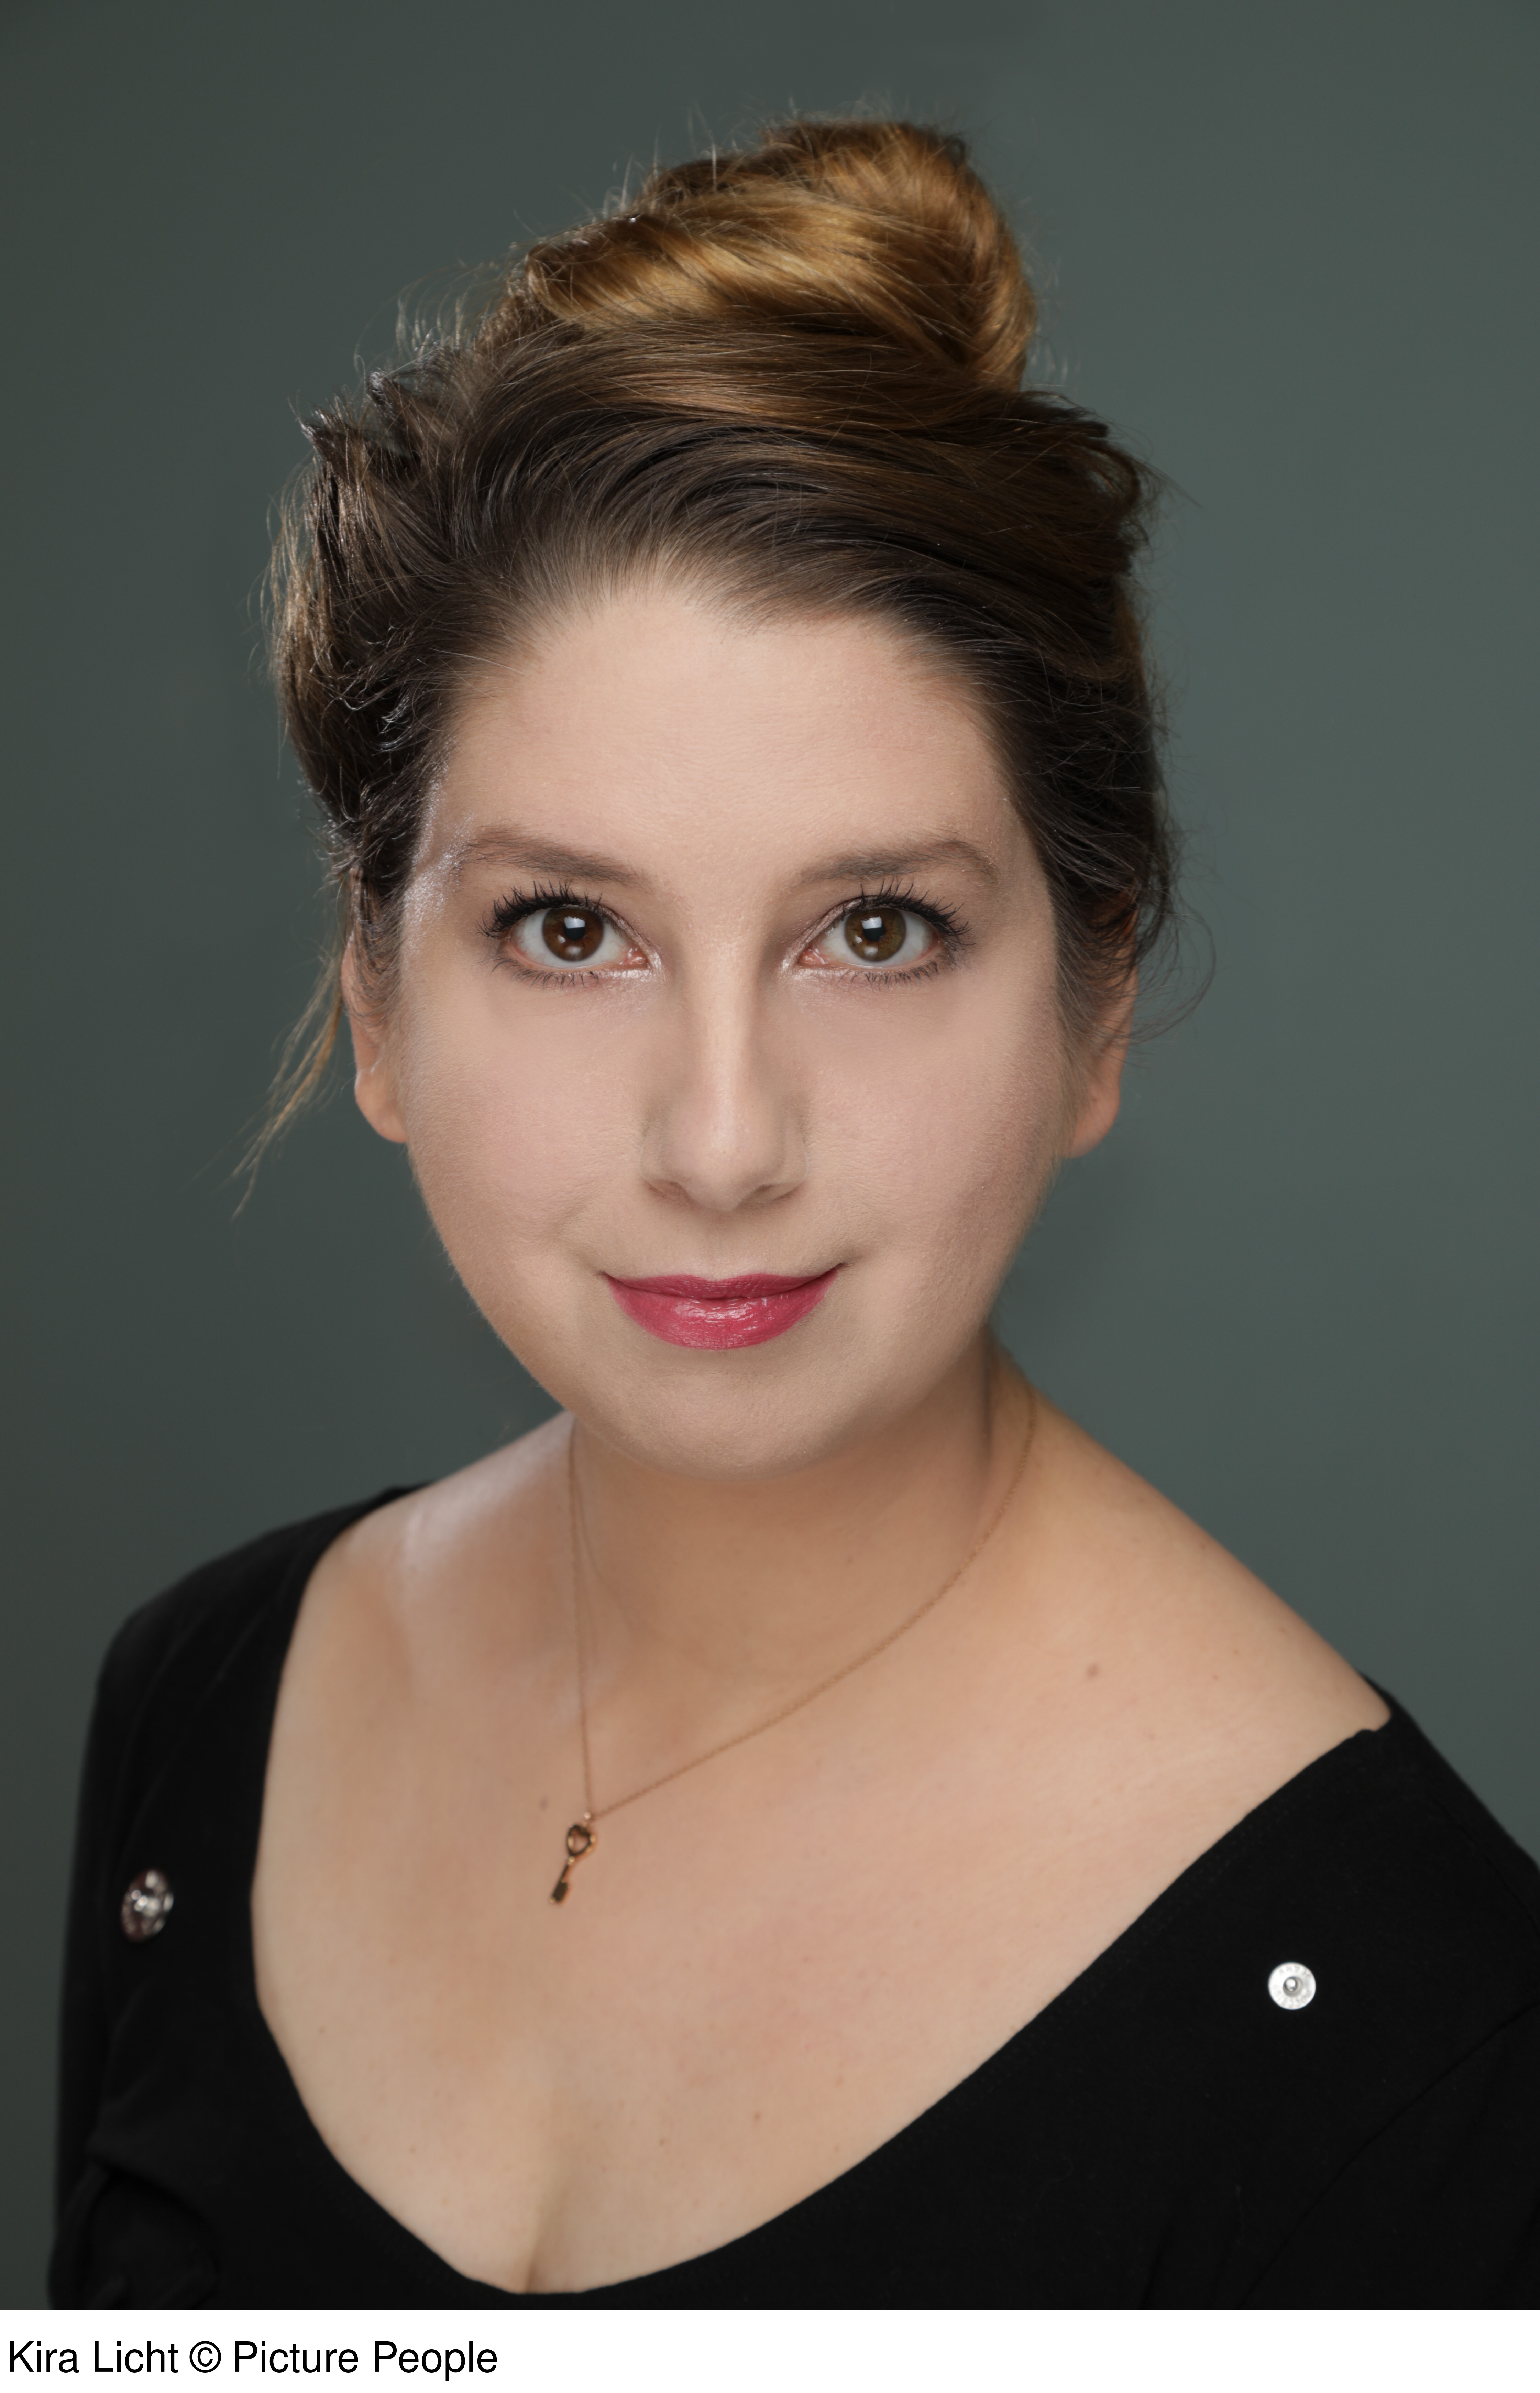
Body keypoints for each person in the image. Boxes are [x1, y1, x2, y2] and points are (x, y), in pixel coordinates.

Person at [52, 119, 1540, 2309]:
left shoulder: (1411, 2033)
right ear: (375, 997)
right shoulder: (209, 1708)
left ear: (1096, 1005)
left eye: (875, 930)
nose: (725, 1140)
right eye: (570, 929)